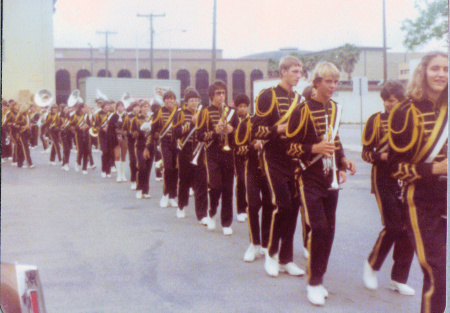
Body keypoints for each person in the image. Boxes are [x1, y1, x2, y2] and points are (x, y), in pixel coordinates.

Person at [285, 61, 356, 306]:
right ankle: (313, 283)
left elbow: (335, 138)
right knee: (319, 228)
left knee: (330, 231)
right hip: (308, 177)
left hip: (330, 178)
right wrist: (313, 148)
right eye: (328, 81)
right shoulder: (301, 110)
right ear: (316, 83)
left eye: (336, 82)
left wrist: (342, 161)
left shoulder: (335, 108)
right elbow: (289, 147)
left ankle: (319, 278)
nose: (333, 86)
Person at [388, 51, 448, 313]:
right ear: (423, 72)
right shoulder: (405, 111)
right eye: (435, 68)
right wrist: (434, 168)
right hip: (421, 201)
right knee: (435, 270)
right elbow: (394, 168)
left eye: (446, 69)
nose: (441, 74)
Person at [252, 55, 305, 276]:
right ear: (282, 71)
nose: (298, 75)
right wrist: (278, 130)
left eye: (300, 71)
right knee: (281, 205)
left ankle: (286, 258)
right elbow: (256, 130)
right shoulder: (268, 95)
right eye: (294, 71)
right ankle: (271, 254)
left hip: (293, 158)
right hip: (273, 156)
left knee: (293, 209)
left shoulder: (300, 99)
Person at [361, 81, 415, 295]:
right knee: (393, 226)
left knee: (409, 229)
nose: (388, 104)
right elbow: (366, 153)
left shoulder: (411, 120)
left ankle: (398, 279)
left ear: (401, 101)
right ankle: (371, 265)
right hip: (383, 178)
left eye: (392, 101)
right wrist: (381, 156)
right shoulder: (375, 120)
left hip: (407, 178)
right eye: (385, 100)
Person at [196, 80, 239, 236]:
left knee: (228, 188)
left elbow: (240, 135)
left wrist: (232, 130)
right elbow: (200, 136)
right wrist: (215, 131)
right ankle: (211, 212)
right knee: (215, 186)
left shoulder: (232, 111)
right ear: (211, 95)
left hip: (228, 154)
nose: (221, 96)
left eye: (223, 93)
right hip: (212, 153)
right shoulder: (205, 112)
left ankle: (226, 222)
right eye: (218, 93)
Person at [235, 104, 273, 262]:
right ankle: (254, 243)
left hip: (269, 170)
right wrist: (253, 147)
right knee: (253, 204)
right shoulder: (246, 123)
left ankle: (265, 243)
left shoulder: (273, 123)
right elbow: (239, 149)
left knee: (269, 206)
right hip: (252, 168)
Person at [172, 89, 208, 222]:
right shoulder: (180, 114)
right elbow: (175, 132)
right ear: (186, 102)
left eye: (196, 100)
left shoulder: (203, 113)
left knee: (202, 182)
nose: (194, 103)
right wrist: (191, 123)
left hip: (200, 151)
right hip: (185, 151)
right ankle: (181, 206)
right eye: (191, 100)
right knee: (184, 181)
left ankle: (202, 214)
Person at [150, 91, 179, 208]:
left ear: (174, 100)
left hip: (176, 143)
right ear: (164, 100)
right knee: (168, 168)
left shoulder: (178, 112)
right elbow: (153, 128)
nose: (170, 101)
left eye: (172, 99)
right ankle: (165, 194)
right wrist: (154, 138)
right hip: (165, 142)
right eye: (167, 99)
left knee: (175, 169)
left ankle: (172, 197)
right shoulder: (159, 111)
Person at [233, 94, 250, 223]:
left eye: (245, 106)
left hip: (248, 154)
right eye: (240, 107)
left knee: (248, 182)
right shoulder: (233, 120)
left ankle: (247, 208)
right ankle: (240, 210)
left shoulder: (251, 120)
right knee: (240, 180)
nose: (243, 109)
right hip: (236, 153)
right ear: (236, 107)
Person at [133, 101, 153, 199]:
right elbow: (133, 134)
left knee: (148, 169)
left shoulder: (152, 118)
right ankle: (139, 188)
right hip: (140, 146)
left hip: (150, 146)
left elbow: (156, 132)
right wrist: (141, 129)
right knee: (141, 167)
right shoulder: (136, 119)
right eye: (144, 107)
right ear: (140, 108)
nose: (146, 108)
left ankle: (146, 190)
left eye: (147, 106)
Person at [108, 101, 128, 182]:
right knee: (117, 155)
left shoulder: (126, 116)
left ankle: (123, 174)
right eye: (119, 106)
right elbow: (110, 128)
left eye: (122, 106)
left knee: (123, 156)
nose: (120, 108)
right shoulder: (113, 116)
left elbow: (128, 126)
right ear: (117, 107)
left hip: (124, 137)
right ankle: (119, 175)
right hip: (115, 138)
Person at [123, 102, 140, 189]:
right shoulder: (128, 117)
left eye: (138, 107)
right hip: (131, 142)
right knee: (133, 160)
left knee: (140, 161)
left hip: (140, 142)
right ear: (132, 108)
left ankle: (139, 180)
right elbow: (124, 128)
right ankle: (133, 180)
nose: (137, 109)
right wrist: (128, 133)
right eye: (135, 107)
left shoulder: (142, 117)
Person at [94, 101, 112, 177]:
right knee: (104, 152)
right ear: (103, 106)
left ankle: (108, 171)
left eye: (109, 105)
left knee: (110, 153)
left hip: (110, 135)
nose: (108, 106)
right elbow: (95, 125)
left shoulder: (111, 114)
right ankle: (103, 170)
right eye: (107, 105)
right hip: (102, 135)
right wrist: (102, 129)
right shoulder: (98, 114)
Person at [60, 105, 73, 171]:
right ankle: (65, 163)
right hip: (63, 134)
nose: (66, 110)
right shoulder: (60, 117)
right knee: (66, 149)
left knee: (68, 149)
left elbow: (72, 125)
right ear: (63, 110)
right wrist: (62, 126)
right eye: (65, 109)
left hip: (69, 135)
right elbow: (57, 126)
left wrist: (71, 128)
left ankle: (64, 163)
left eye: (67, 109)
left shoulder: (70, 117)